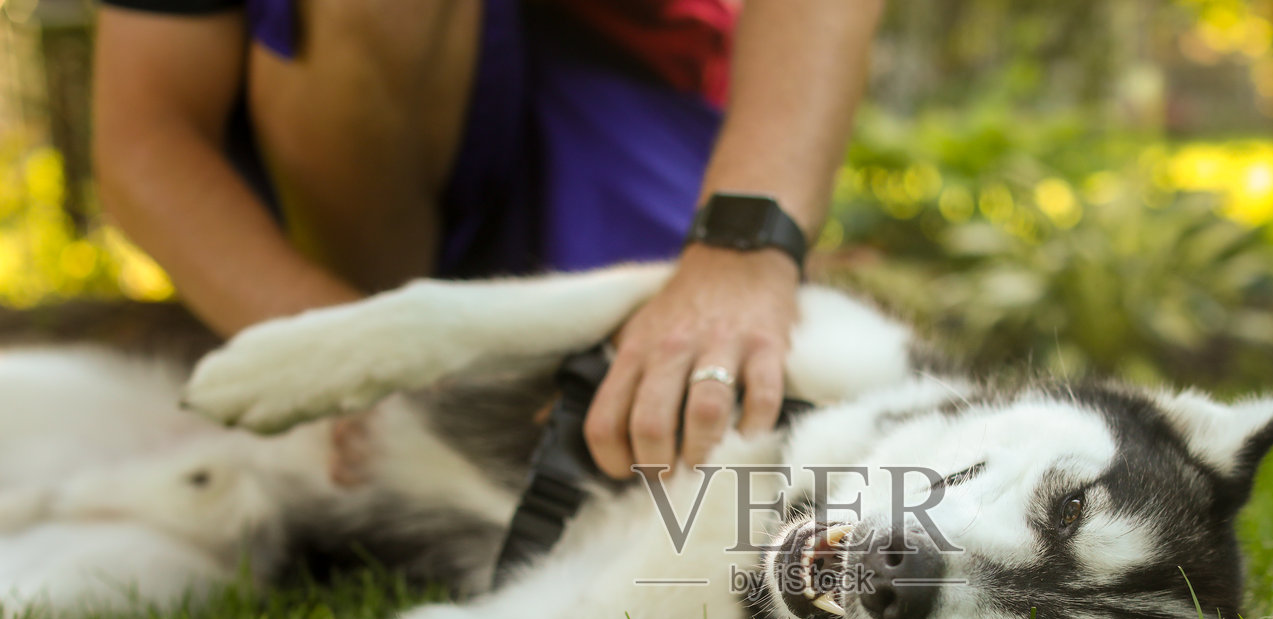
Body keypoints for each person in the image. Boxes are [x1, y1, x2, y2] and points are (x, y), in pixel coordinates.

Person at [91, 0, 883, 479]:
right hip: (328, 141)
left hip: (623, 102)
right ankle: (382, 420)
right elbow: (144, 131)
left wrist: (743, 248)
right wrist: (335, 352)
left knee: (689, 439)